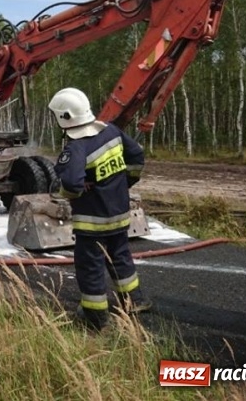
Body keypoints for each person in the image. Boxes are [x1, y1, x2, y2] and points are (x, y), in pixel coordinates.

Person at [49, 87, 151, 331]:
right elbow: (136, 156)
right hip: (119, 214)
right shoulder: (112, 132)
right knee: (120, 257)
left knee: (90, 266)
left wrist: (64, 193)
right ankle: (134, 301)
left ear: (64, 118)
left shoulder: (75, 148)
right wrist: (125, 182)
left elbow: (71, 184)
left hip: (92, 222)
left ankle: (95, 317)